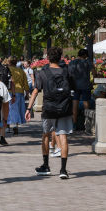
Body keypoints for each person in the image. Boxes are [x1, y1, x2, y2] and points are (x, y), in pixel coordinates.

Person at [27, 46, 77, 179]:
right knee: (63, 137)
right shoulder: (66, 72)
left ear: (48, 58)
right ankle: (63, 169)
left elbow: (36, 90)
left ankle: (46, 165)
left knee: (45, 135)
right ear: (60, 57)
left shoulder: (43, 73)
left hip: (49, 108)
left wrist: (29, 108)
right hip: (64, 108)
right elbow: (73, 89)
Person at [68, 48, 94, 130]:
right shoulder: (87, 62)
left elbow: (69, 74)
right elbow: (94, 72)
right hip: (85, 85)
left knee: (75, 103)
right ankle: (87, 123)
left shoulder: (72, 62)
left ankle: (74, 123)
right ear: (85, 55)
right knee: (86, 103)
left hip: (75, 85)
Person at [6, 57, 29, 136]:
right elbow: (25, 82)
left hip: (9, 91)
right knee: (17, 110)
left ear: (8, 62)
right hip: (19, 92)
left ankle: (7, 126)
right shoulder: (21, 71)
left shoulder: (7, 70)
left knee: (8, 110)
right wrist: (27, 92)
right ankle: (15, 126)